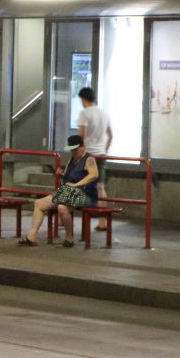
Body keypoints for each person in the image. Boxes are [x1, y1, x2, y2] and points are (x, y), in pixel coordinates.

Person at [18, 134, 97, 247]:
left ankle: (69, 238)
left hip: (86, 195)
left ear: (83, 147)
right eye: (72, 150)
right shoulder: (72, 161)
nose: (73, 152)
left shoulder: (89, 159)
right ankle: (31, 237)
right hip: (69, 193)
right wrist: (61, 175)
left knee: (62, 207)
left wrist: (76, 185)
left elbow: (93, 175)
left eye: (75, 149)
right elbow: (69, 179)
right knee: (39, 203)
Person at [76, 87, 113, 230]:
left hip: (88, 154)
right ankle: (102, 221)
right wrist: (105, 150)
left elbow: (81, 136)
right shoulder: (104, 114)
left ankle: (65, 214)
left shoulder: (84, 113)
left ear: (84, 99)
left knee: (76, 183)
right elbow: (110, 135)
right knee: (100, 187)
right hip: (101, 154)